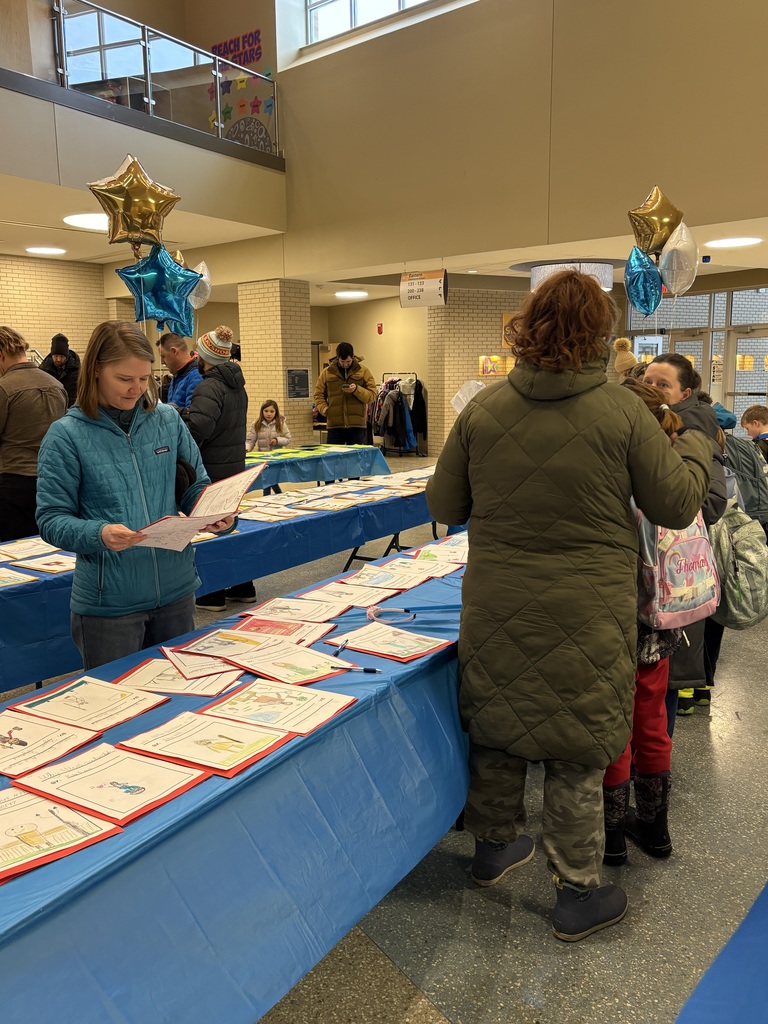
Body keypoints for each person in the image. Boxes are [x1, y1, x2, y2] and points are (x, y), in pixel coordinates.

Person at [425, 271, 711, 942]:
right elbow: (673, 503)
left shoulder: (484, 408)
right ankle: (577, 892)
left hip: (497, 602)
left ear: (528, 325)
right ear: (601, 334)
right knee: (578, 744)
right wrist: (696, 444)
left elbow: (444, 507)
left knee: (498, 724)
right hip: (588, 608)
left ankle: (494, 849)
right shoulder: (620, 412)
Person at [35, 321, 234, 672]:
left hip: (176, 591)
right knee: (118, 713)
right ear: (96, 370)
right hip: (110, 605)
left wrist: (214, 512)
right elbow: (52, 518)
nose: (136, 389)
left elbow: (194, 484)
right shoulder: (65, 435)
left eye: (144, 379)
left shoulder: (167, 420)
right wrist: (99, 534)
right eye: (125, 379)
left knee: (177, 704)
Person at [603, 380, 687, 866]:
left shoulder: (616, 477)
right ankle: (656, 830)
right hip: (660, 621)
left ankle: (611, 836)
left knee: (613, 725)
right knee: (652, 721)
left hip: (615, 619)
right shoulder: (672, 474)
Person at [643, 354, 727, 723]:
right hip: (655, 580)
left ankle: (653, 772)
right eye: (648, 380)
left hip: (675, 576)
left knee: (665, 688)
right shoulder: (646, 425)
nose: (652, 388)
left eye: (663, 384)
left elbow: (710, 503)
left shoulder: (691, 430)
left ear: (685, 393)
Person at [181, 325, 251, 610]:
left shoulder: (208, 386)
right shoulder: (237, 384)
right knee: (228, 528)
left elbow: (199, 427)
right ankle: (244, 586)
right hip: (233, 466)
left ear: (205, 356)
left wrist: (178, 418)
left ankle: (212, 593)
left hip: (210, 468)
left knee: (210, 531)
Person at [0, 326, 67, 541]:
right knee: (47, 547)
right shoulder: (56, 385)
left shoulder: (4, 387)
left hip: (12, 483)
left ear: (1, 356)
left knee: (12, 553)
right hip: (53, 479)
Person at [313, 342, 376, 446]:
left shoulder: (363, 371)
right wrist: (325, 410)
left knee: (355, 460)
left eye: (348, 361)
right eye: (342, 361)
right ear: (337, 358)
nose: (345, 364)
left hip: (357, 426)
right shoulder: (327, 372)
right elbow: (318, 394)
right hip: (335, 425)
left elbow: (372, 396)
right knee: (333, 459)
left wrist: (356, 390)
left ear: (353, 357)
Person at [246, 399, 293, 495]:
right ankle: (279, 496)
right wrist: (247, 448)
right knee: (268, 480)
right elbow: (251, 440)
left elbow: (288, 439)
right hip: (263, 458)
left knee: (270, 480)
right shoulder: (256, 424)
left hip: (277, 458)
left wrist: (277, 440)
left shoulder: (281, 423)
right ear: (262, 411)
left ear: (276, 412)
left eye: (272, 411)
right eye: (266, 411)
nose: (269, 414)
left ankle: (273, 496)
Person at [156, 333, 202, 409]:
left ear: (174, 351)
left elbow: (192, 416)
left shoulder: (196, 376)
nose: (162, 362)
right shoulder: (178, 374)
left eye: (163, 356)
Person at [39, 333, 81, 408]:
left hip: (72, 408)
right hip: (53, 408)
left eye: (61, 356)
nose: (58, 359)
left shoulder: (76, 369)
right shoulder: (44, 369)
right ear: (52, 355)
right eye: (56, 356)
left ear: (66, 356)